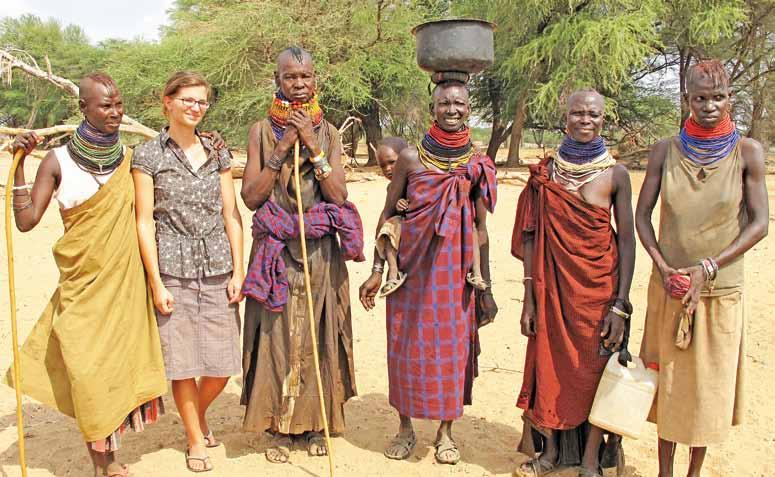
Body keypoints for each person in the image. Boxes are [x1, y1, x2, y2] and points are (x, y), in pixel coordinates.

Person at [5, 73, 167, 477]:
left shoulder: (132, 158)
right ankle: (104, 462)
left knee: (116, 367)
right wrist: (20, 163)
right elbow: (26, 221)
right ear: (84, 109)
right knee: (89, 370)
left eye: (118, 104)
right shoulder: (58, 160)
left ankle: (105, 461)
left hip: (125, 283)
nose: (115, 112)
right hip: (81, 285)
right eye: (105, 106)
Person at [636, 60, 768, 477]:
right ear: (687, 99)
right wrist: (662, 266)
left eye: (718, 97)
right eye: (700, 98)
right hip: (671, 287)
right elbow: (642, 216)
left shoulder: (748, 152)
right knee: (669, 384)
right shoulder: (665, 150)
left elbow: (759, 223)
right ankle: (665, 472)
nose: (709, 105)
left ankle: (694, 473)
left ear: (730, 99)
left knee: (707, 391)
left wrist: (707, 268)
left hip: (718, 292)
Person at [359, 80, 498, 465]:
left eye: (459, 103)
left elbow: (480, 229)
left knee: (452, 354)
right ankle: (405, 428)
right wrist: (376, 269)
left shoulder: (476, 164)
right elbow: (387, 216)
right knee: (406, 348)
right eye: (443, 103)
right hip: (409, 271)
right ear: (432, 107)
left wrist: (483, 284)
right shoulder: (411, 160)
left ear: (469, 108)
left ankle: (445, 433)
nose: (451, 109)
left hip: (454, 276)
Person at [239, 46, 363, 464]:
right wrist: (282, 147)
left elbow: (339, 196)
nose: (298, 84)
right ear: (277, 81)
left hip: (320, 253)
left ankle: (314, 424)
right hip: (274, 248)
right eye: (290, 77)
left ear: (316, 81)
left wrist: (311, 144)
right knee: (276, 335)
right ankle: (277, 425)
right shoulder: (260, 131)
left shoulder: (328, 132)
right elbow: (252, 198)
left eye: (305, 77)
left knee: (317, 334)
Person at [511, 89, 635, 477]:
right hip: (551, 291)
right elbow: (530, 237)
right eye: (578, 113)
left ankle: (591, 460)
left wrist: (621, 303)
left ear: (603, 119)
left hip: (599, 292)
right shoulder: (546, 175)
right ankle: (548, 455)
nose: (586, 120)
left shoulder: (616, 175)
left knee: (597, 370)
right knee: (550, 368)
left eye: (593, 114)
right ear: (565, 118)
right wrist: (529, 299)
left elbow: (628, 239)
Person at [132, 71, 244, 473]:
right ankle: (195, 438)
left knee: (222, 364)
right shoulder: (148, 156)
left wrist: (239, 270)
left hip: (217, 265)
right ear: (168, 102)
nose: (195, 107)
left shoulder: (218, 153)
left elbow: (232, 215)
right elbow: (144, 221)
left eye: (202, 101)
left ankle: (195, 415)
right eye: (187, 100)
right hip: (173, 268)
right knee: (182, 363)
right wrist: (155, 281)